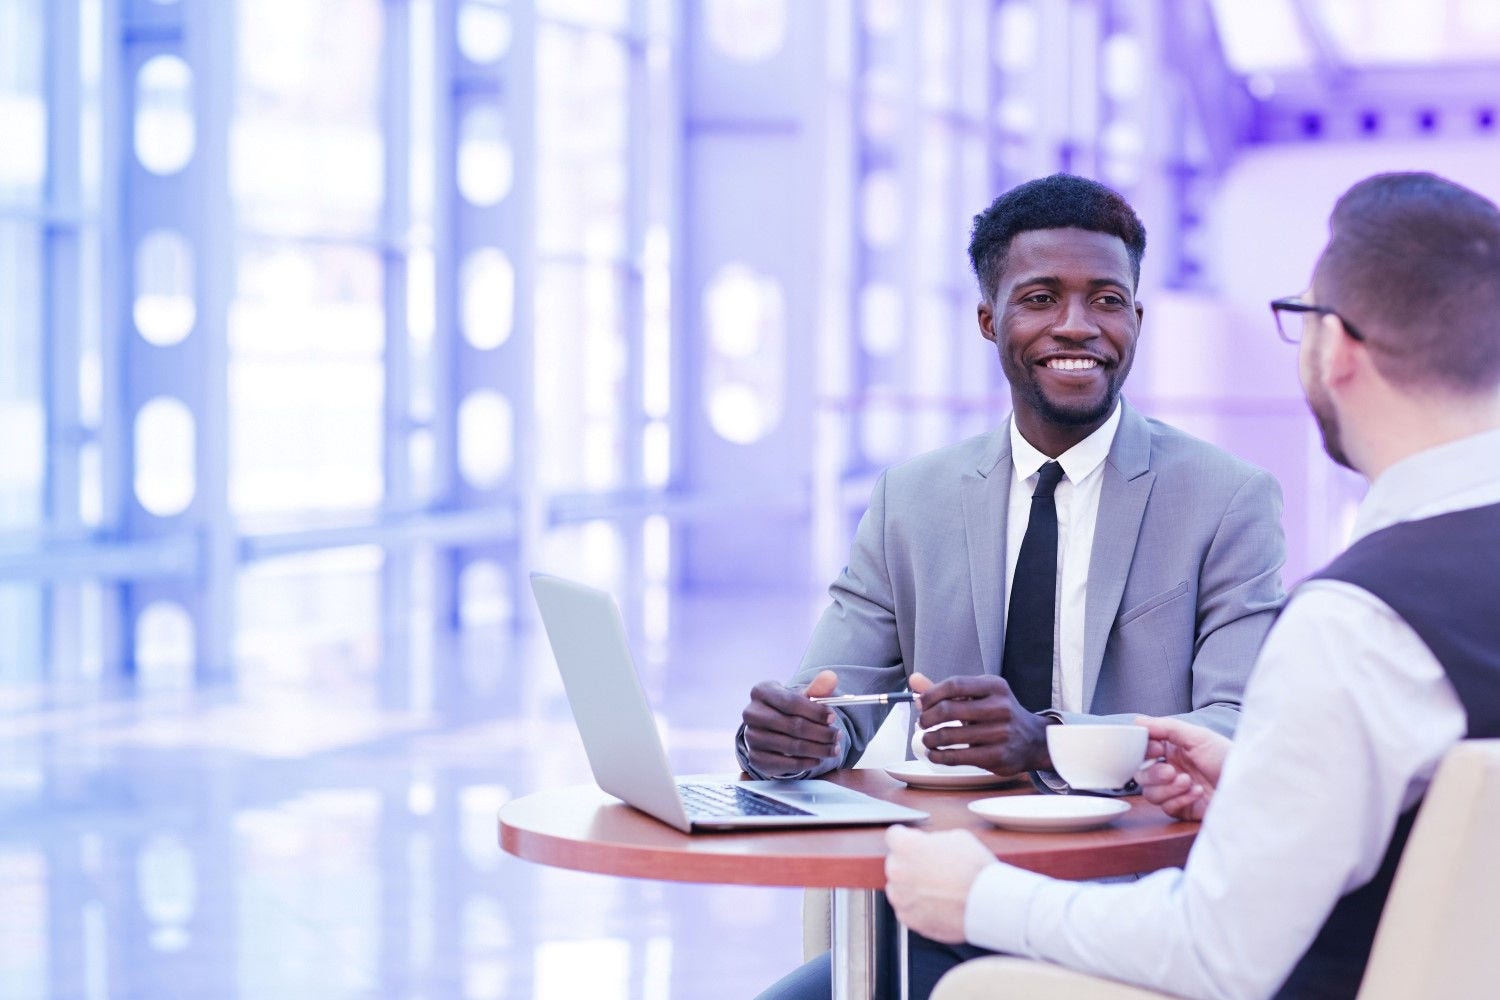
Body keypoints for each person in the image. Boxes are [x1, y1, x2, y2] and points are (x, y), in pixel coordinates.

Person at [884, 170, 1500, 1000]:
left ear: (1340, 348)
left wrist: (976, 894)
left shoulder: (1359, 621)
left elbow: (1217, 954)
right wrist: (1255, 776)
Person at [740, 173, 1287, 998]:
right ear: (990, 321)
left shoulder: (1227, 499)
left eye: (1107, 299)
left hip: (1142, 909)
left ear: (1136, 319)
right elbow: (833, 697)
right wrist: (793, 736)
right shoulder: (911, 500)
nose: (1078, 326)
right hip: (948, 903)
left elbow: (1235, 724)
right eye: (1040, 297)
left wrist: (1050, 740)